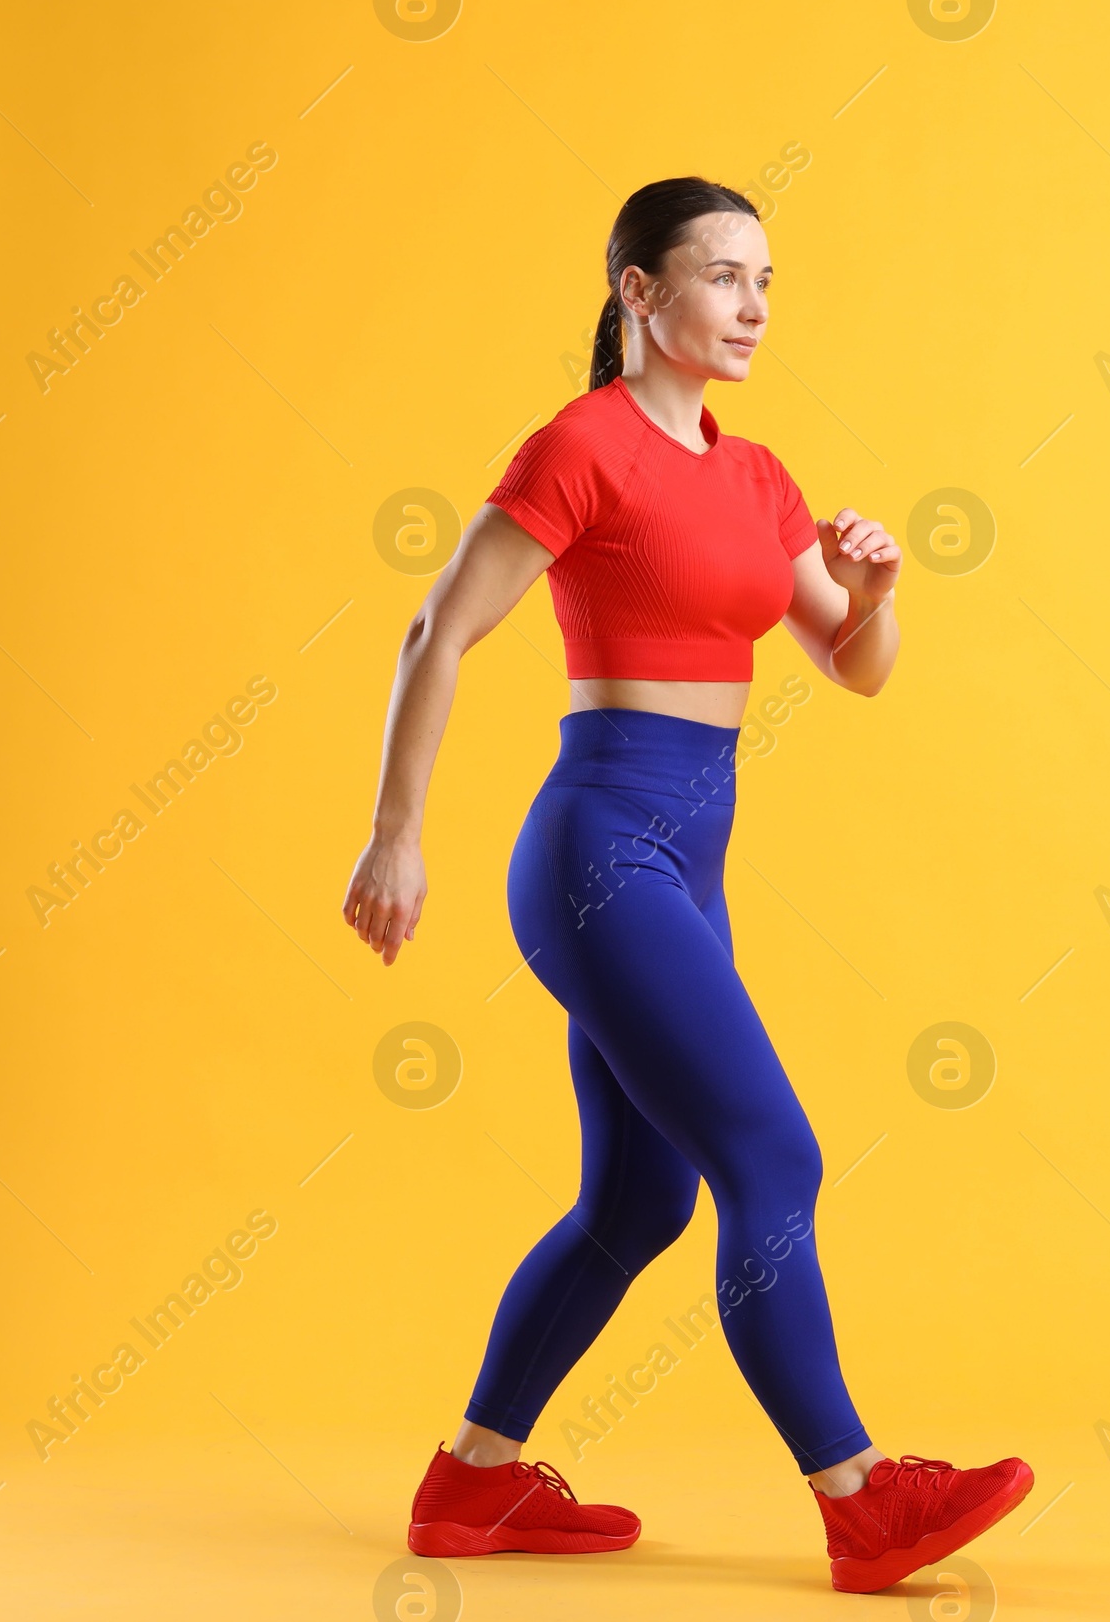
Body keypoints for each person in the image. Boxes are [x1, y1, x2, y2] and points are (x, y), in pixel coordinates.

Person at [341, 176, 1033, 1594]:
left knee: (642, 1200)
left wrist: (875, 585)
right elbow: (438, 628)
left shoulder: (754, 472)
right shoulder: (582, 446)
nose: (755, 305)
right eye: (722, 277)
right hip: (599, 847)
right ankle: (862, 1497)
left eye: (767, 279)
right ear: (638, 294)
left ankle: (471, 1483)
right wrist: (396, 831)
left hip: (687, 855)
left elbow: (853, 664)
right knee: (773, 1157)